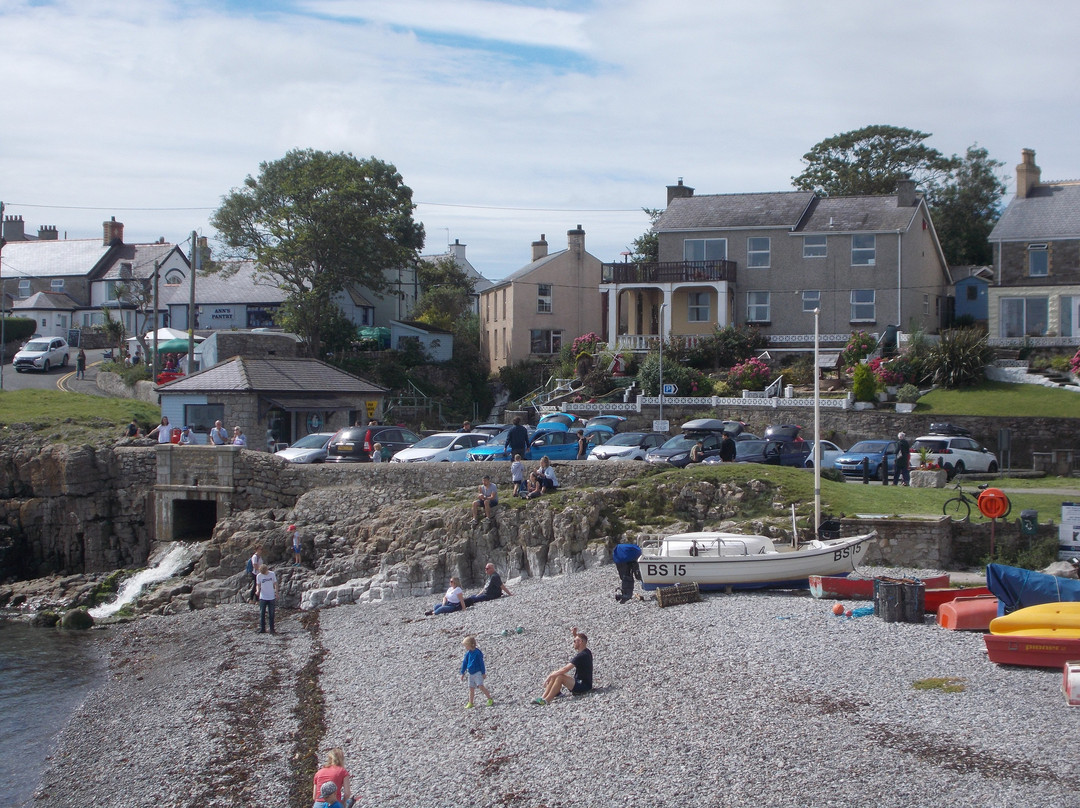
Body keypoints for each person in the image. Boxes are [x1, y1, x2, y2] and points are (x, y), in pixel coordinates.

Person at [533, 626, 592, 705]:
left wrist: (550, 676)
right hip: (578, 682)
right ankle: (543, 697)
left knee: (560, 676)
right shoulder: (587, 651)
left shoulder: (581, 656)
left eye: (574, 641)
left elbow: (565, 669)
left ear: (580, 642)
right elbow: (581, 639)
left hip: (583, 686)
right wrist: (575, 634)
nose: (573, 643)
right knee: (555, 673)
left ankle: (547, 700)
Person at [460, 635, 494, 708]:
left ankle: (490, 699)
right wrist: (462, 672)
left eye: (466, 645)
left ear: (469, 645)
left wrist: (483, 672)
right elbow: (464, 663)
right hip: (470, 673)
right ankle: (470, 702)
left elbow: (481, 663)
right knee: (471, 688)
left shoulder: (477, 653)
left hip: (478, 672)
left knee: (480, 686)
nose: (465, 647)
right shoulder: (468, 654)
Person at [256, 562, 277, 634]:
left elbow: (275, 583)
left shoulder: (272, 574)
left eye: (264, 573)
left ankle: (272, 629)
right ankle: (262, 629)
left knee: (271, 614)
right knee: (262, 613)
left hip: (271, 597)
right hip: (263, 597)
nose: (264, 574)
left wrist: (276, 592)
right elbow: (258, 584)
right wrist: (258, 590)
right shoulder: (259, 576)